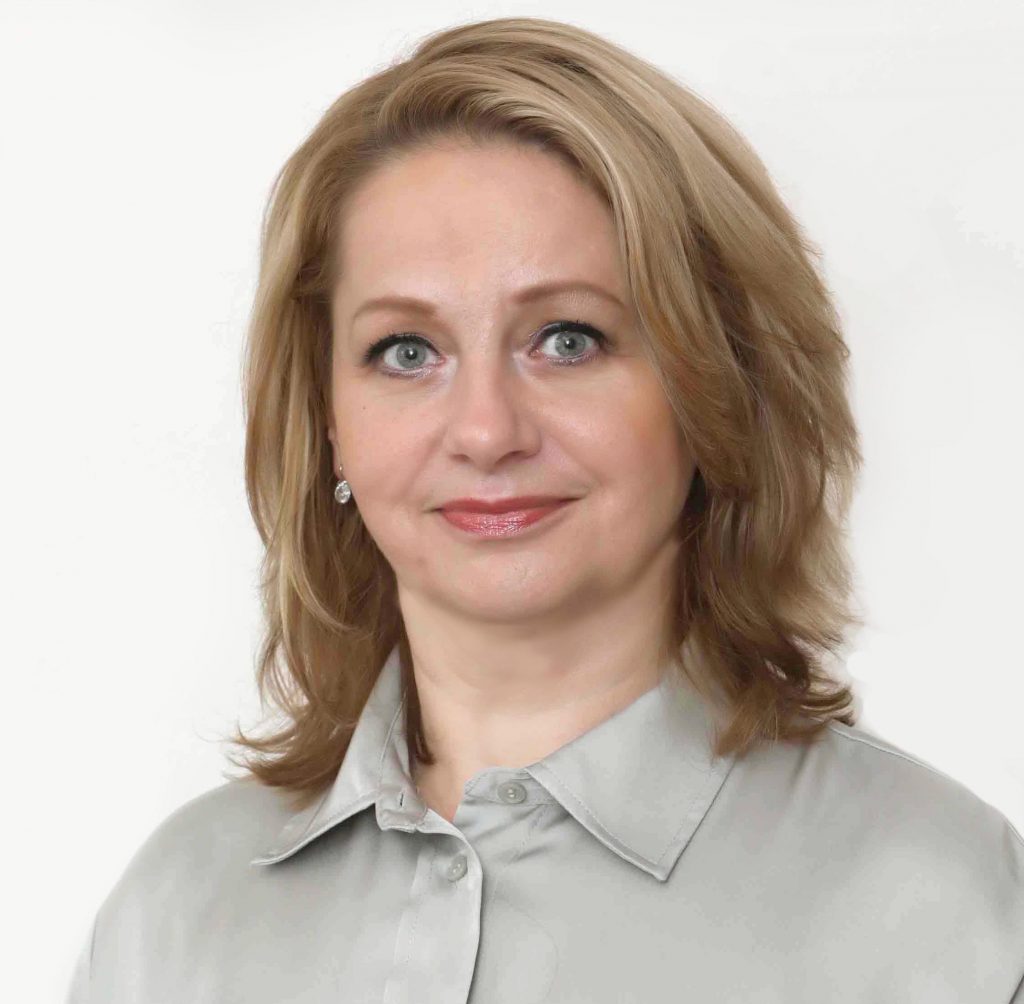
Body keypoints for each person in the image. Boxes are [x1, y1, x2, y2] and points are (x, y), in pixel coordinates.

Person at [66, 15, 1024, 1003]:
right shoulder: (174, 914)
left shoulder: (944, 908)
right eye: (406, 351)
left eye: (568, 339)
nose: (486, 431)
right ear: (328, 421)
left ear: (714, 389)